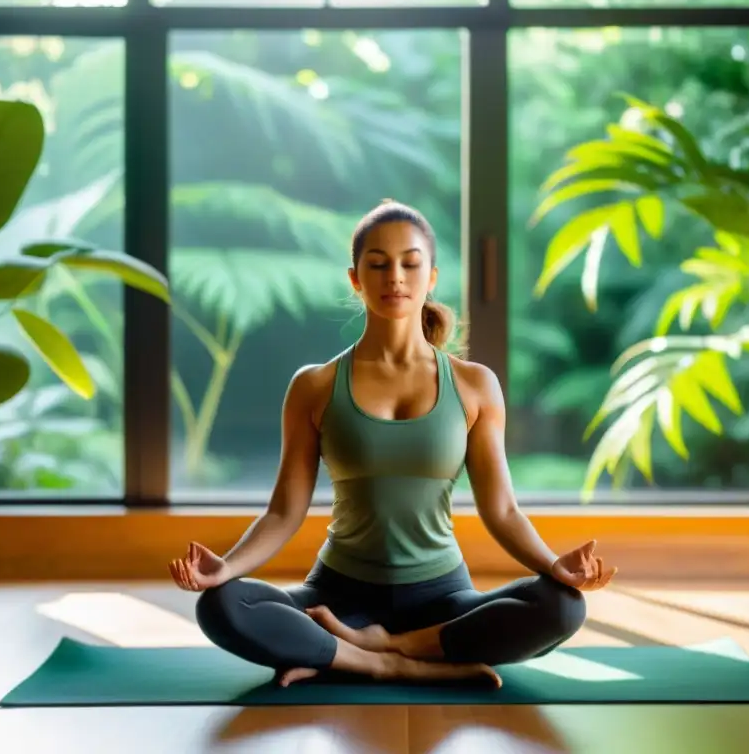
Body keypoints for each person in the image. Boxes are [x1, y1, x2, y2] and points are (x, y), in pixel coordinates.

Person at [168, 199, 617, 689]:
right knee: (222, 605)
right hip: (336, 599)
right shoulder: (314, 385)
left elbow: (503, 510)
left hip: (442, 600)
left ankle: (383, 647)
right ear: (355, 279)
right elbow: (284, 512)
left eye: (410, 263)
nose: (395, 277)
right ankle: (382, 663)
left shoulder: (474, 385)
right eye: (377, 265)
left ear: (432, 276)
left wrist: (555, 566)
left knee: (562, 606)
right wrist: (225, 567)